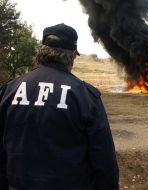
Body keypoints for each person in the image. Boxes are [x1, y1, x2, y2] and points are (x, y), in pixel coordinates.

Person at [0, 23, 119, 190]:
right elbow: (104, 162)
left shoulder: (9, 91)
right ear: (72, 56)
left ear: (40, 51)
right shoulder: (85, 96)